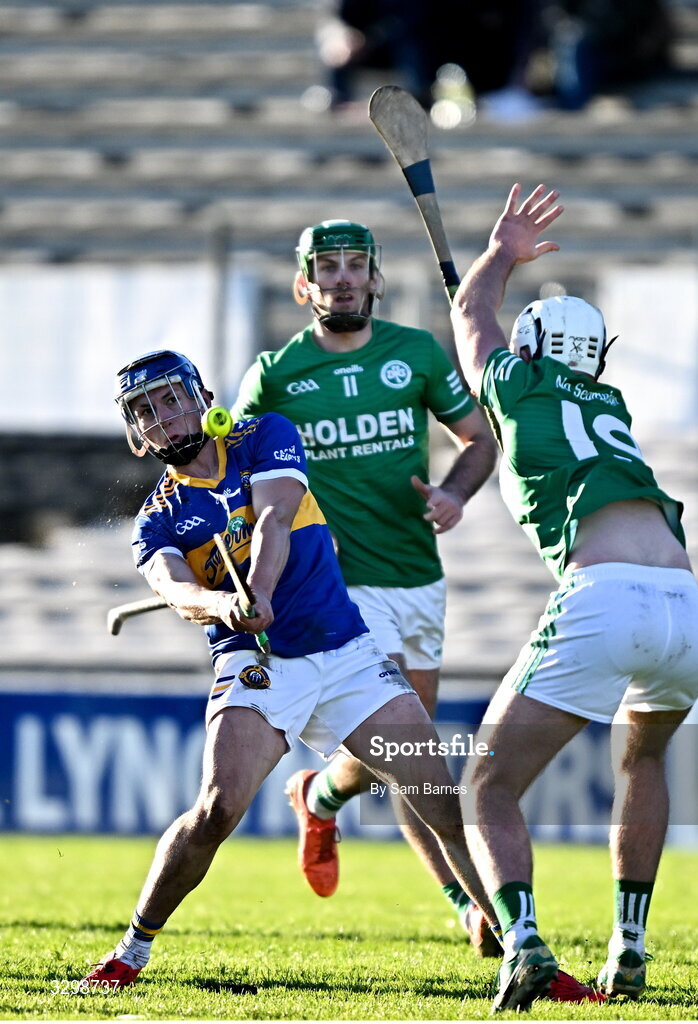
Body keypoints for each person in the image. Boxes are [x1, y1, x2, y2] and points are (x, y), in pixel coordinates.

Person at [82, 349, 494, 988]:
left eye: (169, 399)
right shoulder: (157, 520)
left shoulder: (265, 434)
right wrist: (222, 602)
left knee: (438, 797)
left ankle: (522, 946)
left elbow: (275, 514)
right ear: (138, 438)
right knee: (218, 809)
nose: (162, 417)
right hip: (257, 662)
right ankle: (131, 950)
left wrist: (262, 588)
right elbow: (175, 589)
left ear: (198, 396)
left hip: (344, 646)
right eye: (145, 412)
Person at [449, 184, 698, 1011]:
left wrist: (499, 255)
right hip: (689, 609)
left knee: (485, 789)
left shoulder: (519, 385)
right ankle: (629, 945)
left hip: (605, 599)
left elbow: (469, 313)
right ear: (597, 358)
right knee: (641, 759)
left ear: (531, 349)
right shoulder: (612, 402)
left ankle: (524, 943)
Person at [232, 219, 499, 955]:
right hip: (343, 589)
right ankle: (470, 907)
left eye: (356, 265)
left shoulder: (412, 353)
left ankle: (316, 796)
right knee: (415, 766)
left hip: (419, 575)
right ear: (303, 286)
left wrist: (453, 495)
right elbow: (237, 476)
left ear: (377, 279)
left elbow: (479, 439)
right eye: (327, 267)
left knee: (397, 757)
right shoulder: (276, 374)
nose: (343, 277)